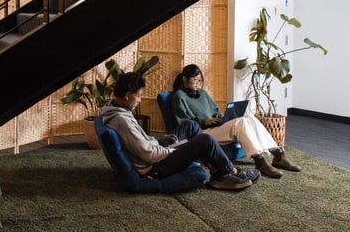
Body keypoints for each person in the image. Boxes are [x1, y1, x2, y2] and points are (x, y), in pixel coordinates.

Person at [100, 72, 259, 190]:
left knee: (190, 125)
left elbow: (141, 142)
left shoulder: (117, 109)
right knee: (205, 140)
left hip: (156, 152)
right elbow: (148, 154)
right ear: (128, 96)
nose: (140, 100)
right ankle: (229, 172)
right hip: (155, 167)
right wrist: (171, 150)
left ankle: (217, 169)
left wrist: (162, 141)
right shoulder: (122, 120)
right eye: (139, 96)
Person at [169, 63, 302, 179]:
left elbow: (216, 110)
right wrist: (205, 121)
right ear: (184, 79)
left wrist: (222, 118)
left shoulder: (203, 94)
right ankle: (260, 161)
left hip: (215, 128)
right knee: (241, 123)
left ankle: (278, 155)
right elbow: (183, 123)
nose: (197, 84)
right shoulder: (179, 96)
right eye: (194, 80)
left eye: (200, 80)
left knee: (249, 117)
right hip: (201, 133)